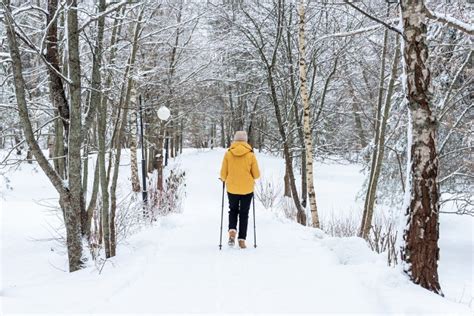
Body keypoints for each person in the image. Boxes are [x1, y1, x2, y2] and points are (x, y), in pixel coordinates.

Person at [220, 131, 260, 249]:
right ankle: (242, 239)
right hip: (247, 189)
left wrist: (224, 178)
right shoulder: (251, 154)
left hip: (232, 188)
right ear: (246, 141)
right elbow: (256, 175)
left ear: (235, 140)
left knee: (232, 210)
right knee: (244, 213)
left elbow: (223, 174)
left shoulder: (228, 154)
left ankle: (232, 232)